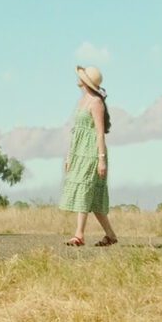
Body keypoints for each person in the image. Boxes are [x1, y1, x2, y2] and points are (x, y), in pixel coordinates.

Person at [60, 65, 118, 246]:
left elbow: (99, 133)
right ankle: (110, 235)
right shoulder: (81, 101)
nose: (78, 78)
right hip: (79, 152)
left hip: (92, 153)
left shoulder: (96, 102)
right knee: (91, 198)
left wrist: (101, 159)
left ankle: (79, 235)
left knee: (84, 192)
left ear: (86, 81)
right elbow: (76, 131)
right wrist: (70, 155)